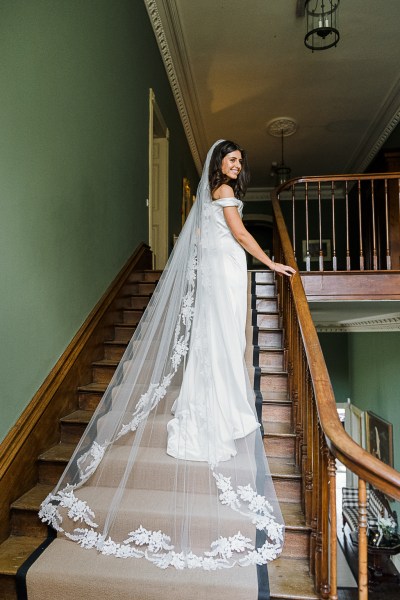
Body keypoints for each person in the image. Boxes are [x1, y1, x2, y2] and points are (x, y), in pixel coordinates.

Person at [39, 140, 295, 571]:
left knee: (214, 339)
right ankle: (219, 409)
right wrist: (271, 264)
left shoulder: (207, 197)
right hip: (228, 269)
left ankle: (207, 402)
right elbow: (241, 233)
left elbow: (201, 236)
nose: (237, 166)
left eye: (240, 162)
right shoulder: (225, 195)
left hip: (218, 269)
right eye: (231, 160)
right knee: (222, 338)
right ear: (219, 163)